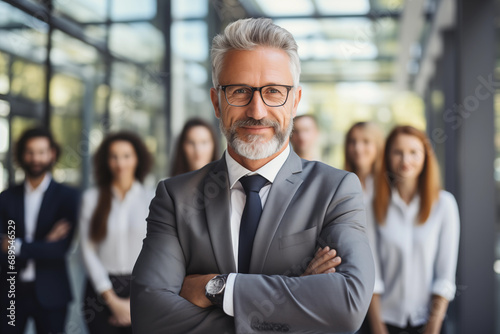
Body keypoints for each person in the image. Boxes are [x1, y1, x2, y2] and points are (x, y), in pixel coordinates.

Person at [131, 18, 374, 334]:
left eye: (273, 91)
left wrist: (219, 288)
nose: (257, 110)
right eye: (239, 91)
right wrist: (296, 296)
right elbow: (150, 317)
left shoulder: (335, 191)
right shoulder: (176, 197)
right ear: (217, 102)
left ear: (295, 101)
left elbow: (348, 306)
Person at [367, 125, 460, 334]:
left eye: (413, 153)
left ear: (426, 157)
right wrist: (378, 329)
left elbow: (445, 277)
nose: (405, 160)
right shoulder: (372, 204)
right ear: (387, 157)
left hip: (429, 322)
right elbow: (371, 275)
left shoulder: (444, 204)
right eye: (398, 152)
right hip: (382, 321)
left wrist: (432, 328)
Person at [0, 127, 80, 333]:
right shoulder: (6, 198)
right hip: (10, 292)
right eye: (30, 152)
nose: (36, 158)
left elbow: (59, 249)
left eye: (42, 152)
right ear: (21, 155)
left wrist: (16, 245)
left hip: (52, 293)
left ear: (52, 154)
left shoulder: (68, 198)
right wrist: (45, 242)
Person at [79, 131, 153, 333]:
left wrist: (135, 300)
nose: (120, 163)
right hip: (100, 292)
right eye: (114, 156)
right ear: (106, 161)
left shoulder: (152, 198)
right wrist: (111, 300)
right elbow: (87, 252)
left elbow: (158, 252)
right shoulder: (92, 199)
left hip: (142, 290)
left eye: (127, 156)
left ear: (138, 158)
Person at [344, 121, 384, 205]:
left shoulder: (389, 183)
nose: (358, 148)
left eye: (366, 141)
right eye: (352, 141)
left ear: (378, 146)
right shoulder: (342, 183)